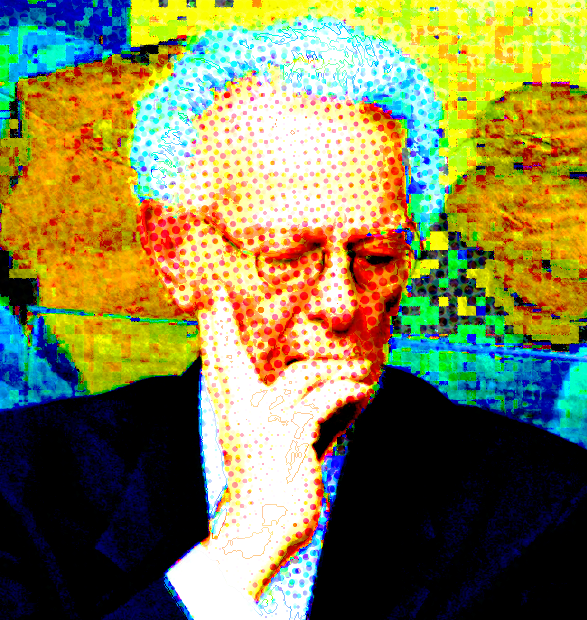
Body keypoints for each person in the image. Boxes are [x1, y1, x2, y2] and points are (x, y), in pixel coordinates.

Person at [2, 16, 587, 620]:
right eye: (287, 256)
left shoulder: (542, 509)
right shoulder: (20, 484)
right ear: (176, 255)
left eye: (376, 256)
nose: (341, 303)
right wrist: (242, 549)